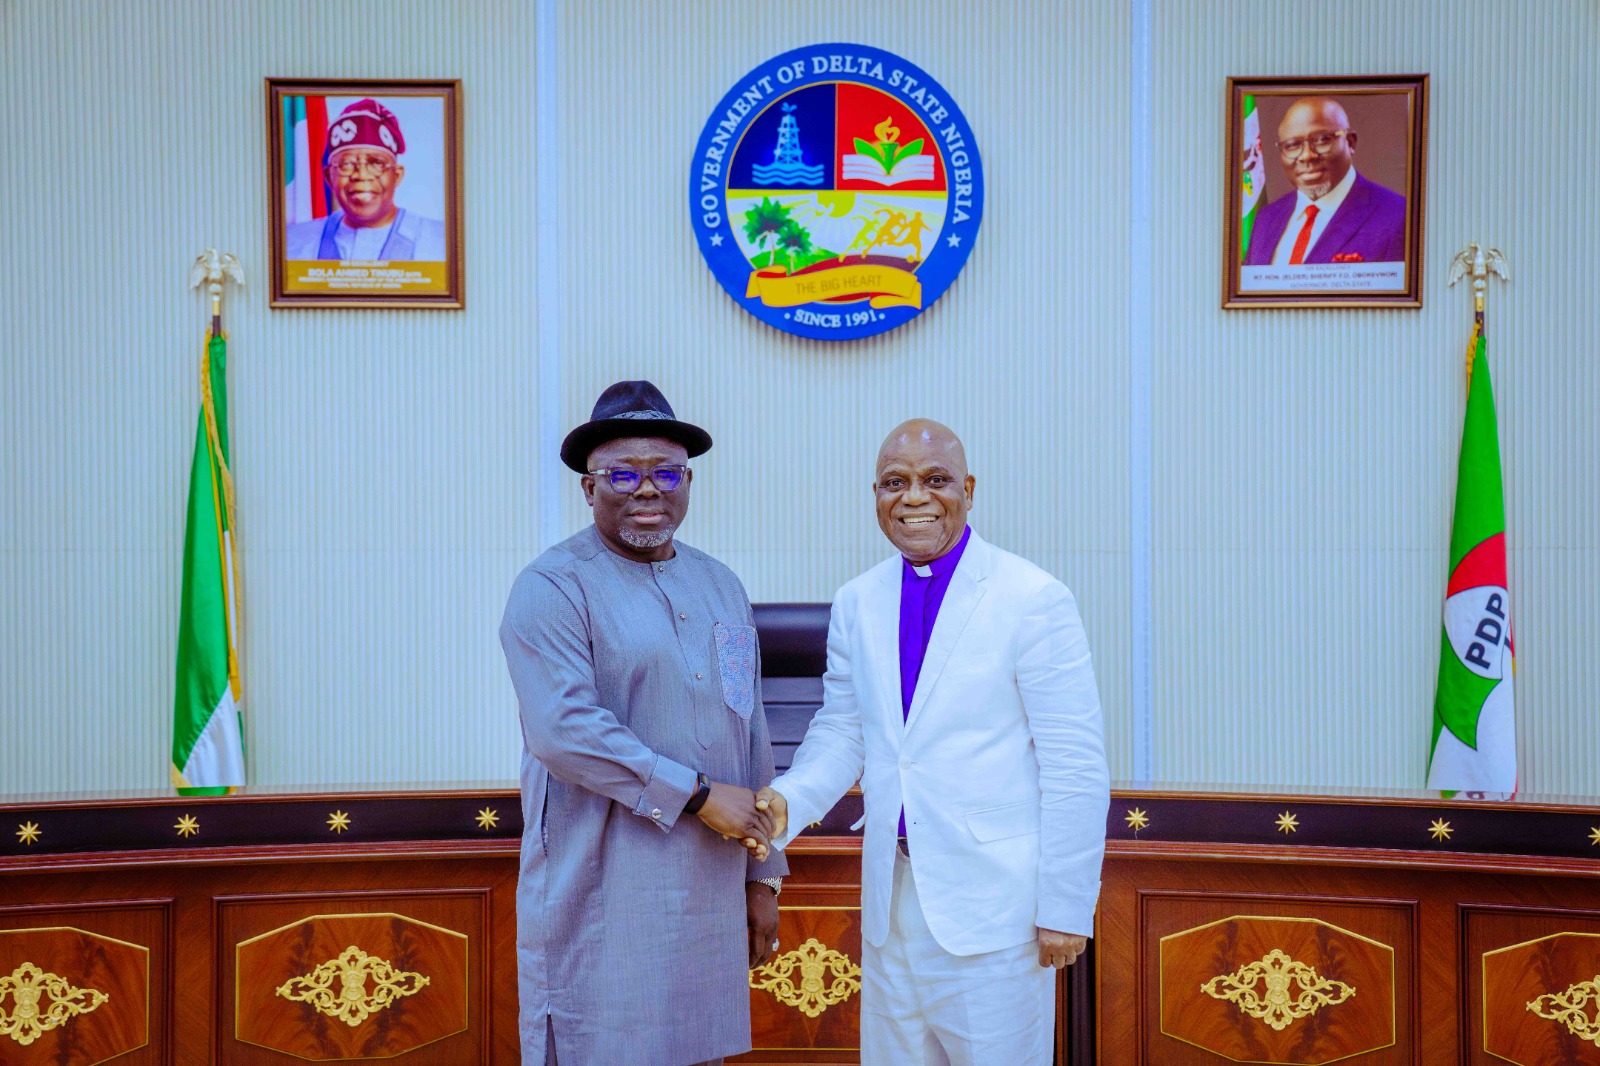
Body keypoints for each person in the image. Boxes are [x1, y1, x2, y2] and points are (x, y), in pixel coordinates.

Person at [755, 419, 1109, 1064]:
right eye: (896, 482)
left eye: (934, 480)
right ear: (876, 495)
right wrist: (785, 803)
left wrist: (1066, 906)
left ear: (968, 490)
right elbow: (842, 730)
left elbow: (1075, 765)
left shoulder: (1032, 598)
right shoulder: (858, 601)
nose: (914, 496)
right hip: (891, 910)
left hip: (995, 913)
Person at [499, 380, 787, 1066]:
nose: (647, 489)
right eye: (623, 473)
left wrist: (763, 874)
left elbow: (749, 731)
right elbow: (562, 729)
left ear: (688, 481)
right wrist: (696, 795)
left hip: (707, 896)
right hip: (602, 895)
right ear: (588, 489)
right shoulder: (552, 587)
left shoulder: (721, 585)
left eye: (666, 472)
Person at [1243, 96, 1407, 266]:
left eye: (1322, 140)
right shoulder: (1265, 219)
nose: (1307, 155)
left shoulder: (1398, 217)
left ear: (1350, 142)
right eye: (1292, 145)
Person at [284, 98, 447, 261]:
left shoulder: (443, 242)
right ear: (329, 177)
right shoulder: (292, 243)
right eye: (346, 164)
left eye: (376, 163)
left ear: (396, 176)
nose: (361, 175)